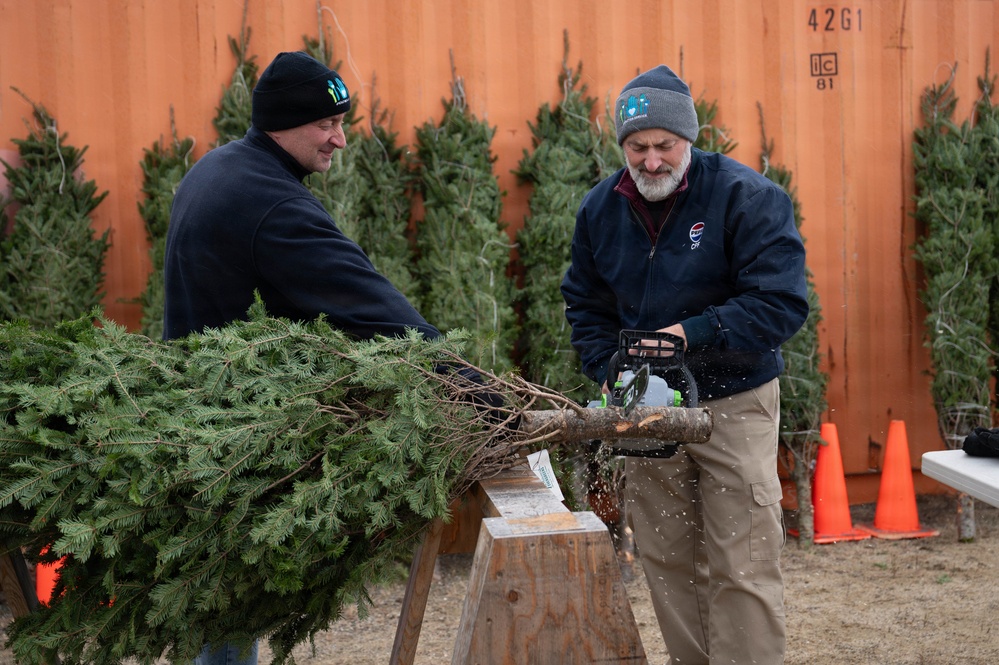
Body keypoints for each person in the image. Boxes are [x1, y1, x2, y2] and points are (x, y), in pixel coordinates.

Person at [163, 51, 441, 665]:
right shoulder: (270, 202)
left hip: (200, 420)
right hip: (232, 439)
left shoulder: (219, 168)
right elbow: (366, 303)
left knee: (218, 615)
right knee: (227, 619)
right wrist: (461, 379)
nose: (340, 139)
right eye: (327, 124)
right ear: (283, 123)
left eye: (343, 122)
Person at [560, 64, 808, 664]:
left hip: (735, 402)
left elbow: (782, 303)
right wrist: (608, 367)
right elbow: (584, 302)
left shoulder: (746, 197)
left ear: (689, 140)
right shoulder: (600, 210)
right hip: (646, 411)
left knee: (741, 559)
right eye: (637, 147)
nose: (650, 161)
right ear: (621, 146)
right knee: (668, 559)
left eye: (664, 146)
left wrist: (692, 335)